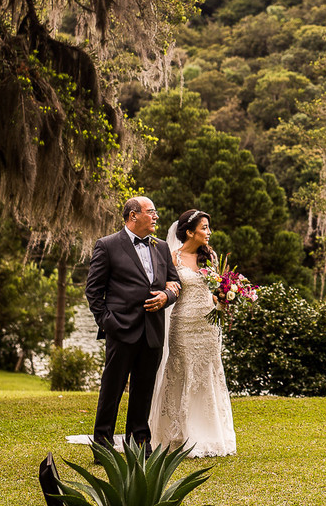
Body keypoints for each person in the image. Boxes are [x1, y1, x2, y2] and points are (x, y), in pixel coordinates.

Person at [84, 196, 181, 455]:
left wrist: (166, 297)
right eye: (151, 212)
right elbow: (93, 292)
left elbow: (174, 283)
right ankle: (102, 447)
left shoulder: (161, 247)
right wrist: (109, 323)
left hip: (152, 331)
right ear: (133, 215)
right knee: (111, 391)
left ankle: (139, 445)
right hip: (121, 330)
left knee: (144, 390)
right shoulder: (107, 245)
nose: (156, 217)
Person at [149, 208, 237, 457]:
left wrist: (224, 299)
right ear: (189, 232)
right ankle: (179, 434)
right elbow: (169, 289)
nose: (209, 232)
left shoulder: (211, 257)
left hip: (208, 326)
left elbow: (215, 290)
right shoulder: (172, 258)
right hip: (183, 323)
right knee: (182, 371)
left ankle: (209, 433)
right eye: (204, 228)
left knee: (208, 372)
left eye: (209, 227)